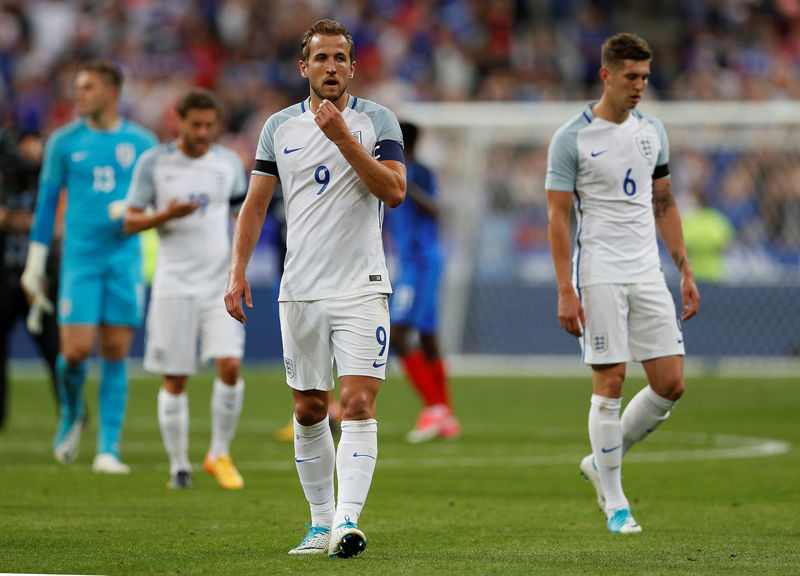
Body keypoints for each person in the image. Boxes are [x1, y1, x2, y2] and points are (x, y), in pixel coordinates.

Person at [224, 19, 405, 558]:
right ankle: (320, 523)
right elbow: (255, 205)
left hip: (361, 286)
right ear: (303, 66)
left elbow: (394, 191)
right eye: (321, 58)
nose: (331, 67)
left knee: (357, 402)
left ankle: (347, 522)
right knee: (307, 408)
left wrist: (343, 139)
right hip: (300, 287)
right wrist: (237, 270)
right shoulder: (279, 127)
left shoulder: (377, 120)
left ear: (353, 65)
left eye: (340, 58)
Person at [545, 33, 700, 534]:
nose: (639, 87)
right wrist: (566, 288)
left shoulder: (653, 130)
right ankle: (615, 501)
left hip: (647, 270)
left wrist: (684, 266)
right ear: (606, 75)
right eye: (631, 77)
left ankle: (602, 460)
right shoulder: (572, 137)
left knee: (670, 384)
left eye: (645, 78)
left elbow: (664, 202)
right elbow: (557, 217)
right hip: (599, 272)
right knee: (609, 381)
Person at [21, 60, 158, 473]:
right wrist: (35, 264)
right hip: (80, 258)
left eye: (88, 88)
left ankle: (108, 450)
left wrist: (136, 208)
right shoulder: (64, 141)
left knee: (116, 351)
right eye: (78, 88)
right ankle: (71, 410)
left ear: (112, 92)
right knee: (76, 352)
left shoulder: (143, 141)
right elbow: (46, 206)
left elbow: (158, 197)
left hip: (124, 257)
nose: (78, 94)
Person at [124, 89, 247, 490]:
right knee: (175, 377)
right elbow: (130, 220)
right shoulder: (154, 163)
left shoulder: (227, 163)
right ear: (179, 121)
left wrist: (238, 268)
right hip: (174, 283)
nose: (203, 132)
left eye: (210, 125)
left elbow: (243, 215)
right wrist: (166, 215)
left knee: (230, 365)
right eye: (196, 124)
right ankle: (179, 466)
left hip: (218, 284)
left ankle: (219, 453)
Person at [389, 120, 460, 443]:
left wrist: (405, 185)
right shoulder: (389, 170)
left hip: (421, 260)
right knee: (428, 334)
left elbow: (436, 210)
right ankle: (445, 412)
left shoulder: (419, 173)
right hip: (412, 260)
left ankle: (434, 407)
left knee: (398, 332)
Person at [0, 129, 60, 428]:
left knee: (55, 349)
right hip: (6, 277)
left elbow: (59, 225)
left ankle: (72, 410)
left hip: (41, 278)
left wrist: (13, 219)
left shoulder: (49, 183)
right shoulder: (6, 180)